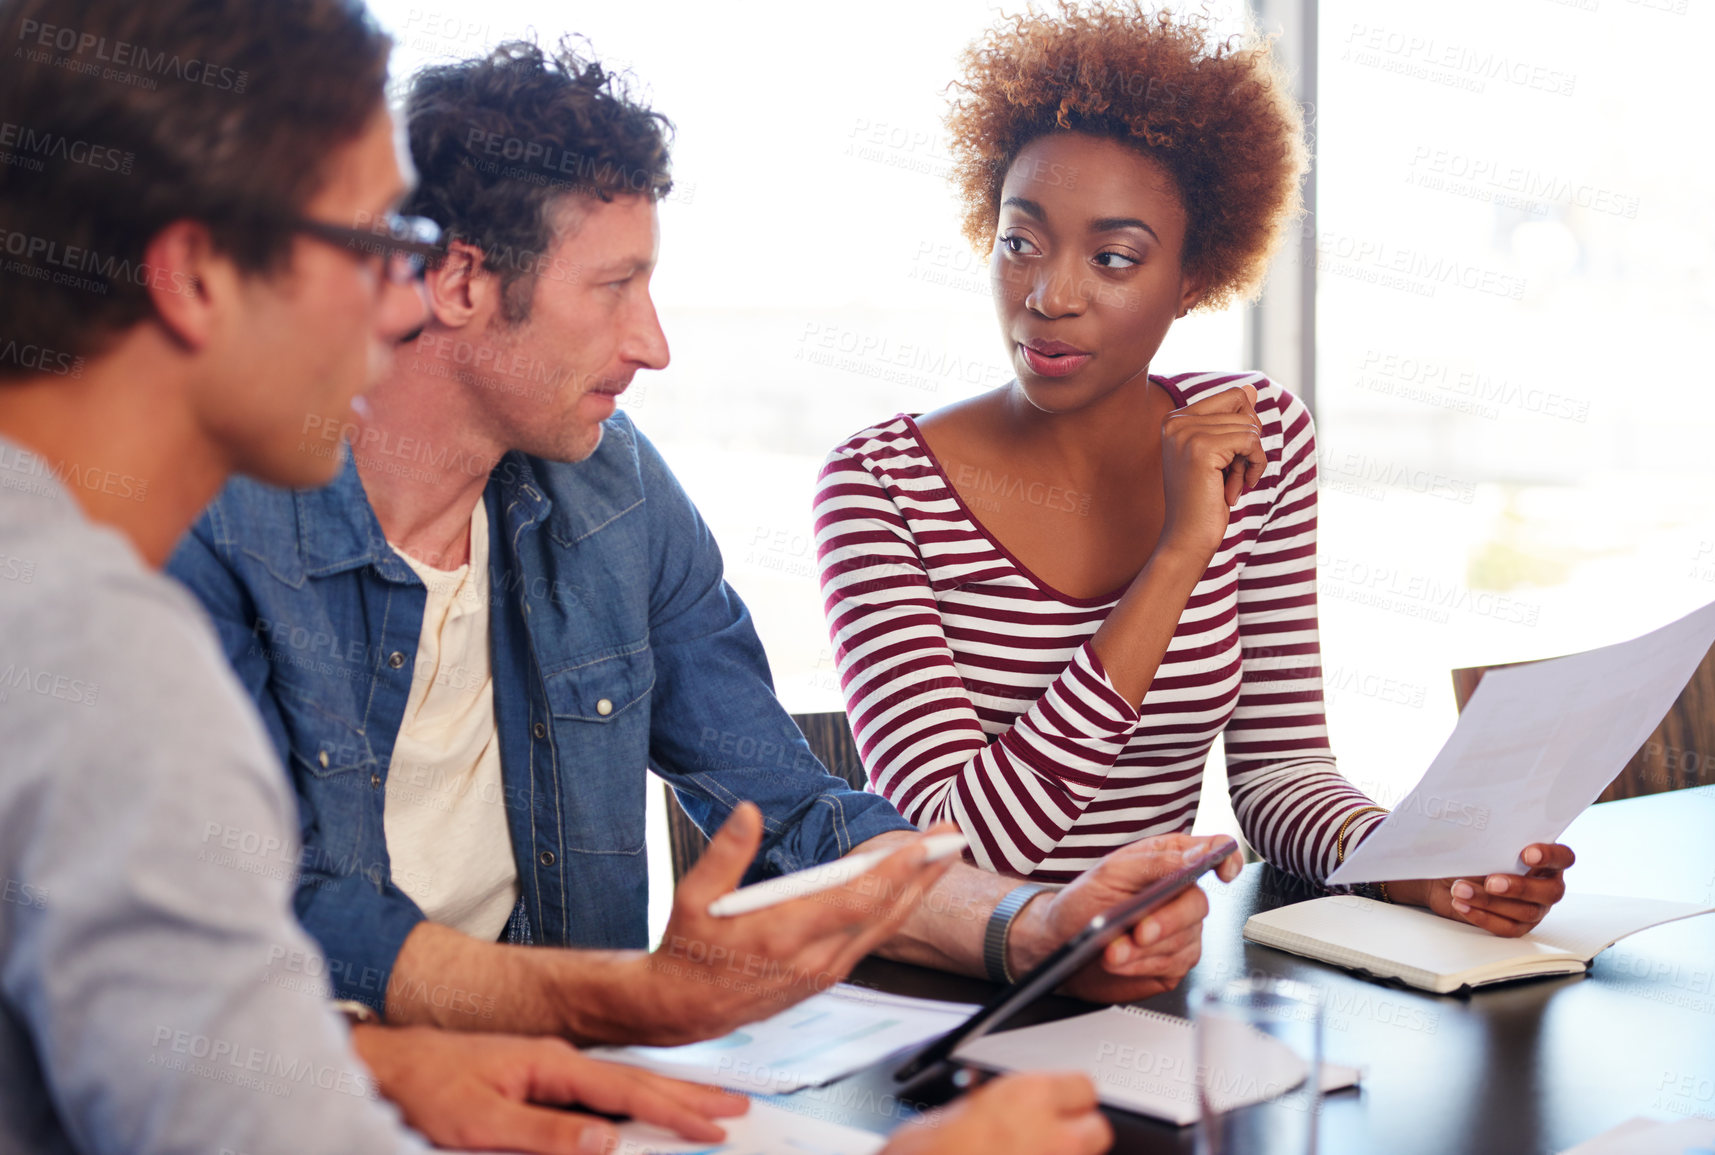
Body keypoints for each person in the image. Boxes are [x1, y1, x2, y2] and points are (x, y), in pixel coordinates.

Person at [166, 36, 1242, 1053]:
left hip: (564, 1092)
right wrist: (626, 995)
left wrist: (1028, 925)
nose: (654, 342)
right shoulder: (214, 519)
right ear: (458, 283)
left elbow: (793, 810)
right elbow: (251, 919)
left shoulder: (614, 493)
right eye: (614, 286)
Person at [0, 0, 759, 1151]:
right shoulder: (100, 654)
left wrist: (374, 1059)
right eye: (372, 247)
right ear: (200, 276)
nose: (405, 303)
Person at [813, 2, 1573, 938]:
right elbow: (960, 856)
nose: (1050, 296)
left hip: (1156, 983)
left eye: (1113, 257)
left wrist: (1415, 867)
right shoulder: (878, 487)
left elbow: (1278, 776)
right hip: (947, 997)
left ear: (1192, 277)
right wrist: (1176, 557)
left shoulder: (1255, 437)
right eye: (1021, 241)